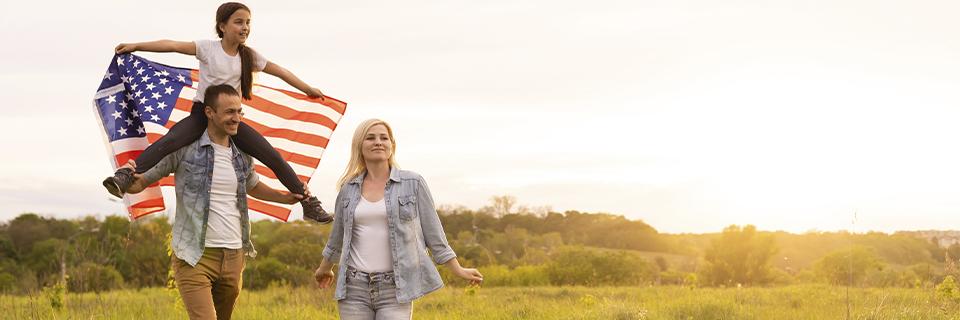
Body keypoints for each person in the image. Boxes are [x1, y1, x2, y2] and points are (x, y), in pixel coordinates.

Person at [102, 2, 331, 223]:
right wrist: (136, 46)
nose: (245, 28)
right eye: (238, 22)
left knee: (272, 156)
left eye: (248, 23)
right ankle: (125, 177)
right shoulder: (208, 49)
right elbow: (173, 45)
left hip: (231, 118)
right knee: (169, 142)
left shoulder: (248, 56)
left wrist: (307, 88)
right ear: (222, 26)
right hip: (203, 114)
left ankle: (308, 203)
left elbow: (279, 71)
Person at [122, 84, 308, 320]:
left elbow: (251, 185)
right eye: (230, 112)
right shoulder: (184, 149)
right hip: (194, 256)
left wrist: (284, 197)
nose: (237, 118)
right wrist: (127, 179)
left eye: (240, 112)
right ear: (210, 112)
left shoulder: (241, 153)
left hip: (233, 255)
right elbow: (140, 182)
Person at [313, 119, 483, 319]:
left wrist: (458, 269)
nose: (378, 142)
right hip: (354, 288)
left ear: (391, 146)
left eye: (384, 138)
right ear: (360, 145)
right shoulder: (348, 189)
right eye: (371, 138)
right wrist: (325, 268)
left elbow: (434, 234)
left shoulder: (413, 183)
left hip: (396, 288)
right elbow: (338, 237)